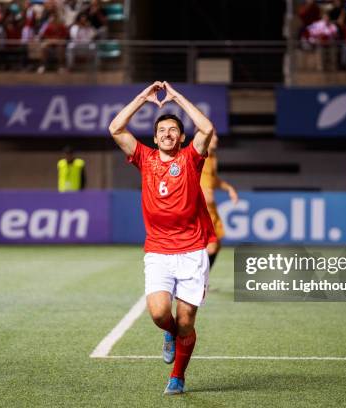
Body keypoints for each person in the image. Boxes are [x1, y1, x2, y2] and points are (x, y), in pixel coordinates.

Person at [108, 81, 216, 395]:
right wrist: (144, 97)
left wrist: (177, 97)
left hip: (192, 252)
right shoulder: (144, 158)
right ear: (154, 138)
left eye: (172, 130)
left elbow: (206, 127)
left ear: (180, 137)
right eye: (161, 131)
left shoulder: (191, 159)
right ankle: (168, 334)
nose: (167, 134)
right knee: (159, 314)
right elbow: (116, 127)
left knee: (186, 322)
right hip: (158, 251)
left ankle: (177, 376)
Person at [200, 132, 238, 270]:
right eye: (213, 136)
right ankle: (197, 279)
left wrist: (229, 188)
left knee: (217, 245)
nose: (216, 138)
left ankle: (202, 280)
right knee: (210, 246)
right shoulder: (197, 156)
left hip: (212, 209)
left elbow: (213, 180)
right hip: (201, 209)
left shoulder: (212, 158)